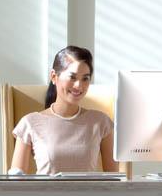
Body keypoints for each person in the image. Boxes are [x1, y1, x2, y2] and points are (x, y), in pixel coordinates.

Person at [10, 46, 118, 175]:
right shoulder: (30, 123)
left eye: (85, 78)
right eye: (72, 77)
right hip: (44, 194)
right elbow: (15, 182)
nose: (79, 85)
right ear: (54, 76)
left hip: (89, 195)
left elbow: (114, 180)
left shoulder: (100, 122)